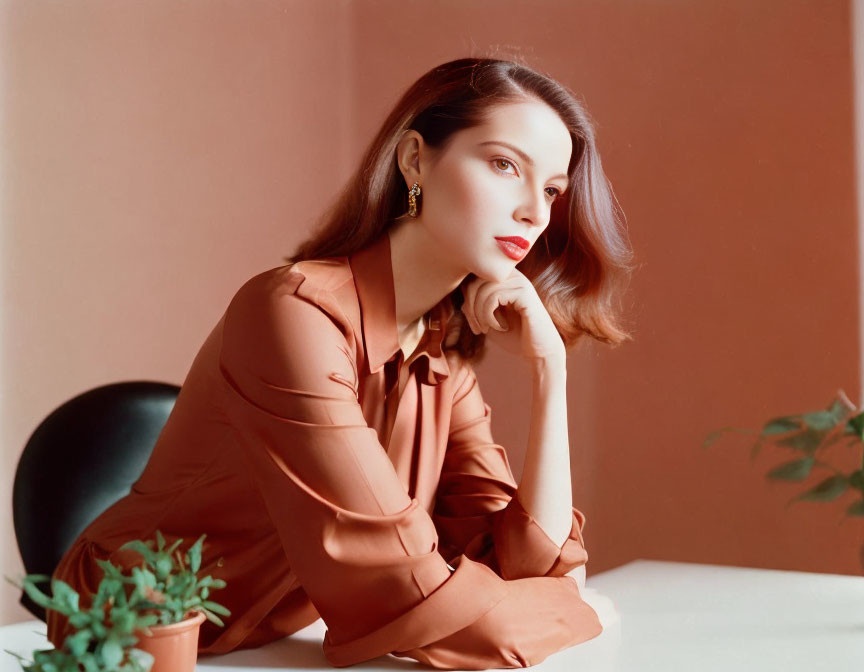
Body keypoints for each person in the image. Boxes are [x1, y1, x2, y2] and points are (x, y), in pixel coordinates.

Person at [46, 56, 632, 669]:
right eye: (505, 165)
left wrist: (549, 370)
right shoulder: (290, 313)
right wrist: (577, 609)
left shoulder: (442, 352)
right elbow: (412, 595)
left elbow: (522, 561)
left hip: (271, 646)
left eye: (551, 189)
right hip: (136, 630)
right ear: (414, 160)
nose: (534, 212)